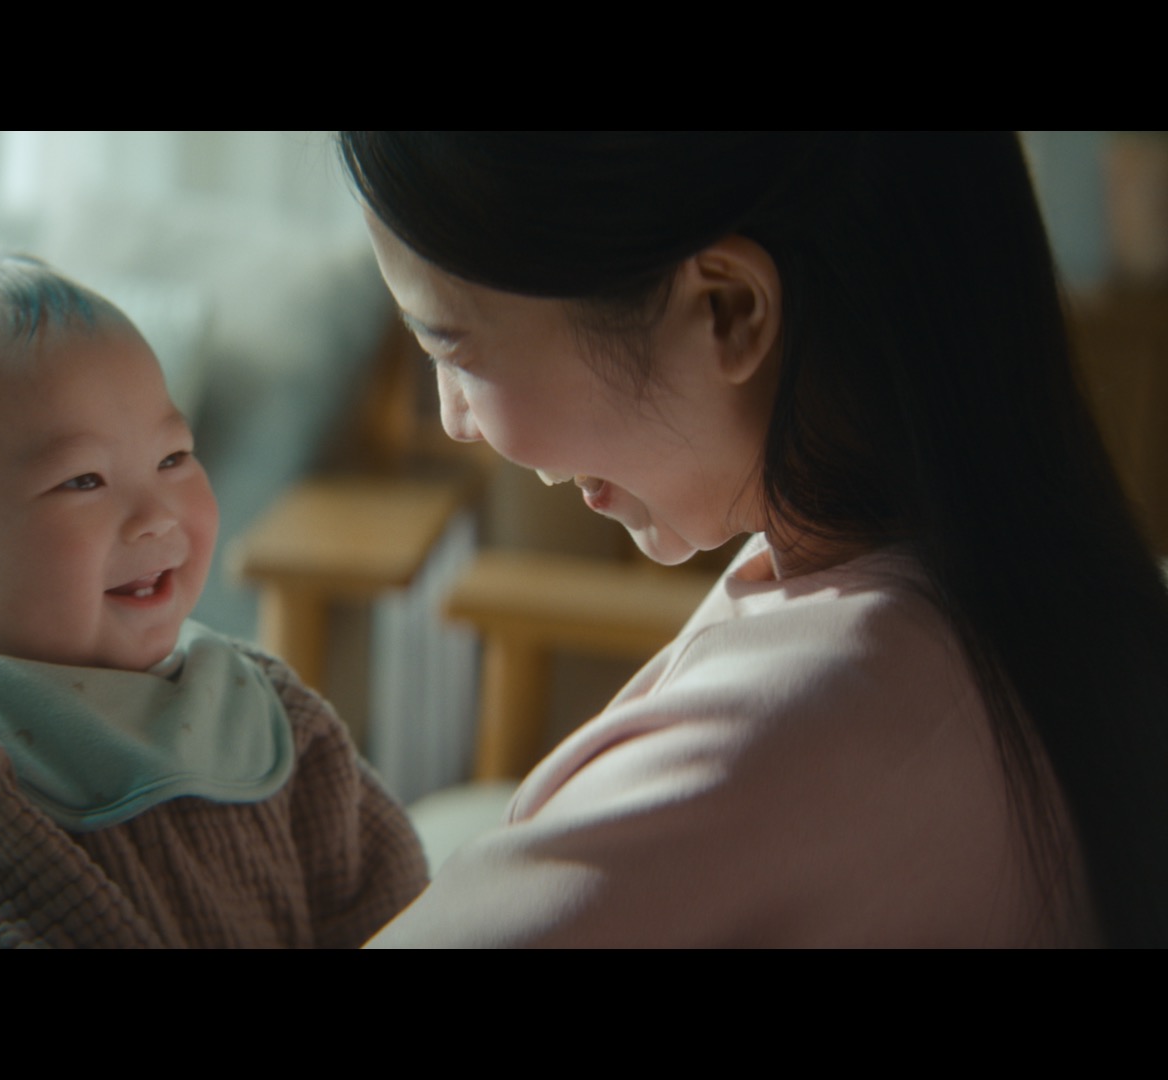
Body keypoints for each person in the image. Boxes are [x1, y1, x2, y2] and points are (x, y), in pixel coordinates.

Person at [343, 131, 1168, 947]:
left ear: (726, 309)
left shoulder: (789, 738)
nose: (454, 419)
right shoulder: (1037, 593)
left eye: (450, 345)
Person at [0, 247, 427, 947]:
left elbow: (394, 902)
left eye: (173, 458)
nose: (156, 516)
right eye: (82, 480)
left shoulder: (261, 709)